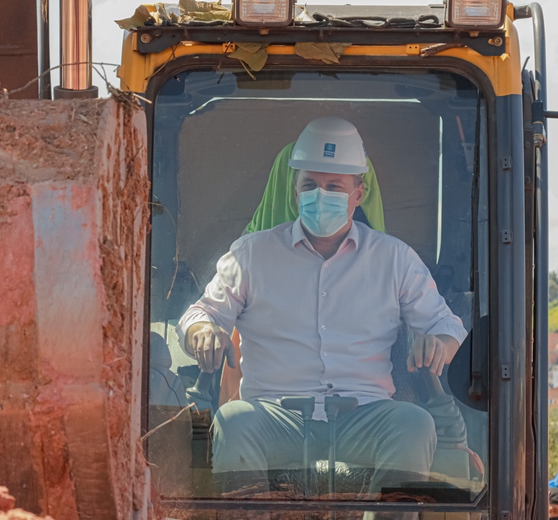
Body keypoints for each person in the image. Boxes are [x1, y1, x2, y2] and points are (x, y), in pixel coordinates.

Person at [176, 117, 468, 501]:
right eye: (310, 185)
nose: (320, 195)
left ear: (359, 193)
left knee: (413, 423)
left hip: (364, 417)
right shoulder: (250, 255)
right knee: (232, 421)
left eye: (334, 187)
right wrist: (203, 331)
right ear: (295, 192)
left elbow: (446, 325)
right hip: (273, 415)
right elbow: (199, 315)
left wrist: (437, 344)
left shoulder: (394, 259)